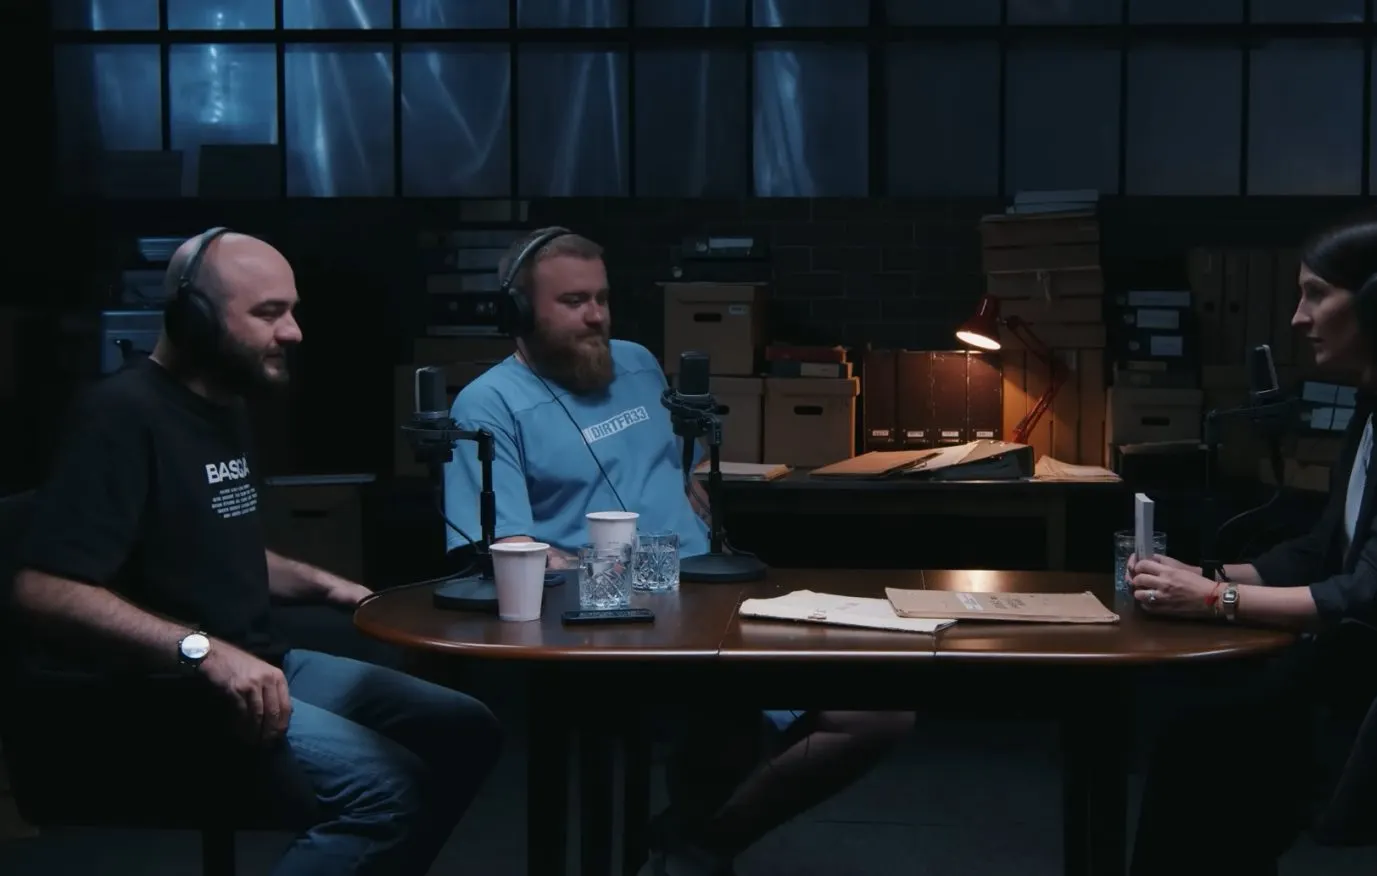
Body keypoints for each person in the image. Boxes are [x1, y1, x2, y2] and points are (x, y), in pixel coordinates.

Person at [11, 230, 502, 876]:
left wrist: (338, 589)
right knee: (386, 790)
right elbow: (44, 588)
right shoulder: (120, 416)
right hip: (164, 691)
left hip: (262, 663)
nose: (294, 332)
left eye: (292, 310)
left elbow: (209, 544)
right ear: (194, 318)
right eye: (269, 313)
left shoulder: (224, 405)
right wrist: (205, 652)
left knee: (467, 728)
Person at [442, 229, 914, 876]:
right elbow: (508, 548)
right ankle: (698, 846)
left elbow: (673, 465)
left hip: (717, 596)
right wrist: (605, 569)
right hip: (622, 626)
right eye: (573, 301)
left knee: (878, 709)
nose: (596, 315)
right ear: (518, 311)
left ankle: (694, 841)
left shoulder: (635, 362)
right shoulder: (487, 404)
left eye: (602, 298)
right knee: (786, 722)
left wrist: (692, 494)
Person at [1124, 207, 1377, 876]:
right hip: (1368, 679)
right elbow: (1323, 553)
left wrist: (1214, 600)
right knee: (1195, 738)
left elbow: (1370, 596)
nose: (1298, 317)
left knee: (1203, 755)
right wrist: (1199, 574)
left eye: (1316, 294)